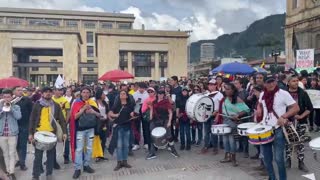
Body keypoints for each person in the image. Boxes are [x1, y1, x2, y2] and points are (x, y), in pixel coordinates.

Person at [256, 75, 300, 180]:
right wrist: (259, 109)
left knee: (279, 159)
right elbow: (259, 104)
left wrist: (284, 116)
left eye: (273, 82)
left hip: (278, 129)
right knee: (266, 158)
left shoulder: (283, 93)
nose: (271, 84)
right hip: (265, 129)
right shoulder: (263, 94)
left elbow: (296, 108)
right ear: (264, 84)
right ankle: (272, 177)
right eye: (268, 82)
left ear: (276, 82)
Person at [29, 87, 67, 180]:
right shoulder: (37, 105)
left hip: (51, 134)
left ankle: (49, 174)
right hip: (38, 133)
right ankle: (35, 175)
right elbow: (32, 119)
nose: (48, 93)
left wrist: (65, 132)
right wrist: (30, 133)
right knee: (38, 157)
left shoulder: (56, 105)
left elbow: (62, 120)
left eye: (50, 92)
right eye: (46, 92)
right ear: (42, 94)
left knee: (51, 156)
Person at [216, 83, 250, 167]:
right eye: (225, 89)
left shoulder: (237, 99)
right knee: (225, 140)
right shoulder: (224, 99)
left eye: (228, 89)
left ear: (233, 90)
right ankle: (227, 156)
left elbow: (247, 109)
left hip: (233, 122)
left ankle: (233, 158)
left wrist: (238, 115)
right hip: (225, 121)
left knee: (232, 141)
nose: (226, 91)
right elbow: (221, 110)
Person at [70, 87, 100, 179]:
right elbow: (74, 117)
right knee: (79, 149)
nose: (86, 94)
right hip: (80, 130)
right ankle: (77, 168)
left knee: (89, 148)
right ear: (81, 93)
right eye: (84, 92)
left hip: (90, 129)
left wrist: (93, 111)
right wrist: (82, 110)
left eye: (87, 92)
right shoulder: (76, 103)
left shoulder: (92, 102)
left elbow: (99, 115)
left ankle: (86, 165)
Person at [285, 75, 313, 172]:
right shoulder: (284, 93)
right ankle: (288, 160)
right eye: (293, 81)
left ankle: (301, 162)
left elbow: (310, 108)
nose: (296, 82)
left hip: (300, 122)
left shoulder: (303, 93)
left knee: (300, 143)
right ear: (288, 82)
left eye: (297, 81)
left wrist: (301, 116)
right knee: (288, 142)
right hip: (287, 122)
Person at [146, 89, 179, 160]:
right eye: (159, 94)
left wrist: (169, 121)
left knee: (169, 136)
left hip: (165, 120)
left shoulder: (166, 102)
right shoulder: (154, 102)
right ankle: (152, 152)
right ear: (157, 94)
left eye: (162, 94)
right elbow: (152, 109)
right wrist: (151, 118)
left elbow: (170, 112)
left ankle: (173, 150)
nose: (160, 95)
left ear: (164, 95)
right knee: (152, 136)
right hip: (155, 120)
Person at [108, 90, 135, 171]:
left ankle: (125, 161)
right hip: (118, 127)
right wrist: (115, 115)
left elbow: (132, 114)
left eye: (124, 94)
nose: (122, 95)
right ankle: (119, 162)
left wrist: (132, 114)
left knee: (126, 145)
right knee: (119, 146)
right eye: (121, 94)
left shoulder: (130, 105)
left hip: (127, 127)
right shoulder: (116, 105)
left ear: (127, 96)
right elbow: (109, 113)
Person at [0, 89, 22, 180]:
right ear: (2, 97)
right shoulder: (0, 106)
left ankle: (12, 172)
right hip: (2, 133)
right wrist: (2, 110)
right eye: (4, 97)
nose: (6, 99)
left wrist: (11, 108)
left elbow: (18, 117)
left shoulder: (16, 106)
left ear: (11, 97)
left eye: (8, 97)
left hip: (12, 133)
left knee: (12, 153)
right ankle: (8, 171)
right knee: (5, 153)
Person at [13, 86, 33, 171]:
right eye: (18, 90)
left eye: (21, 90)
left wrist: (30, 127)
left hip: (24, 126)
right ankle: (19, 159)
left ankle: (22, 163)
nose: (21, 91)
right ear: (14, 92)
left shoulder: (27, 100)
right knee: (16, 145)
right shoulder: (11, 101)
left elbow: (31, 113)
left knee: (23, 145)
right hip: (13, 126)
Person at [201, 79, 224, 154]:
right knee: (206, 132)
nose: (210, 86)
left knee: (214, 133)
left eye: (212, 84)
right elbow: (203, 105)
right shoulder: (206, 94)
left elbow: (221, 107)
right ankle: (206, 146)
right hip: (207, 115)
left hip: (215, 115)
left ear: (215, 85)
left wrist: (217, 115)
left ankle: (215, 147)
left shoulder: (219, 95)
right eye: (209, 84)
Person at [52, 87, 70, 166]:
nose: (60, 92)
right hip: (52, 124)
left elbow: (68, 112)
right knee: (52, 142)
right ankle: (52, 159)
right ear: (54, 91)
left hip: (62, 123)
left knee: (65, 140)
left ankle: (66, 157)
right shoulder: (50, 100)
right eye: (58, 90)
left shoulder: (65, 100)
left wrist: (65, 122)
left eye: (61, 90)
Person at [132, 82, 149, 150]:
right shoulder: (134, 94)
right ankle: (136, 143)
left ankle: (146, 143)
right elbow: (132, 104)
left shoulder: (147, 94)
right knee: (136, 128)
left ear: (145, 88)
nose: (141, 89)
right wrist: (135, 102)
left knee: (146, 127)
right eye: (140, 88)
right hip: (137, 110)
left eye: (143, 88)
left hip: (145, 111)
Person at [95, 88, 110, 162]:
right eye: (103, 94)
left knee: (104, 139)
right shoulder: (95, 103)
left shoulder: (105, 103)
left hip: (104, 123)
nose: (104, 95)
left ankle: (102, 155)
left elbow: (107, 112)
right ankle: (97, 155)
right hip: (97, 123)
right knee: (98, 139)